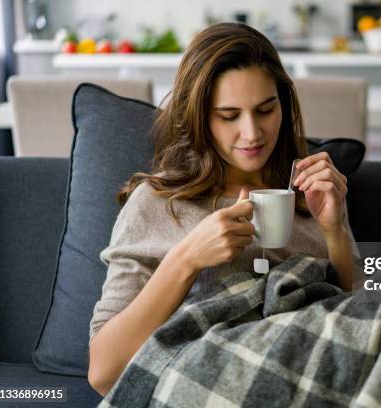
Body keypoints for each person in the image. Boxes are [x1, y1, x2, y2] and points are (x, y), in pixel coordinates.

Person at [87, 22, 360, 396]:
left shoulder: (311, 190)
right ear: (199, 117)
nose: (252, 133)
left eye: (266, 109)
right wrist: (187, 259)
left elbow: (365, 318)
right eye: (229, 116)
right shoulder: (156, 201)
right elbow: (103, 372)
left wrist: (335, 231)